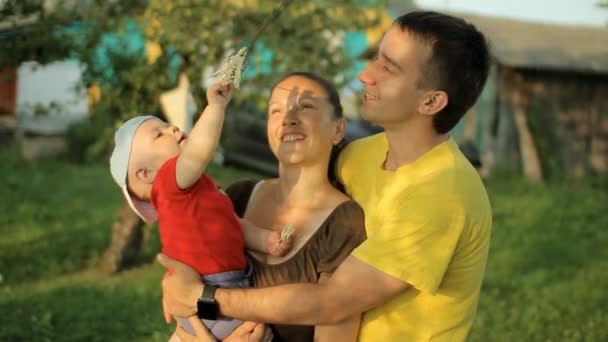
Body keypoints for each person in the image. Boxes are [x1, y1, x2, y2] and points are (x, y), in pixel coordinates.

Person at [159, 11, 493, 341]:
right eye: (377, 58)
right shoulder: (361, 155)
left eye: (388, 68)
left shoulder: (441, 194)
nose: (365, 74)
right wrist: (181, 276)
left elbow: (332, 303)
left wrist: (203, 298)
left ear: (431, 101)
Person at [168, 71, 367, 342]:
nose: (288, 118)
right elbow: (185, 293)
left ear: (338, 129)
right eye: (276, 111)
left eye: (306, 106)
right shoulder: (237, 198)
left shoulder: (344, 223)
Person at [109, 80, 291, 340]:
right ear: (147, 174)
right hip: (210, 293)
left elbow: (233, 225)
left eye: (166, 125)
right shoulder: (167, 184)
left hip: (224, 287)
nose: (172, 128)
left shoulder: (200, 189)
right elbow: (197, 153)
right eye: (159, 134)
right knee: (257, 334)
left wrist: (265, 239)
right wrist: (216, 107)